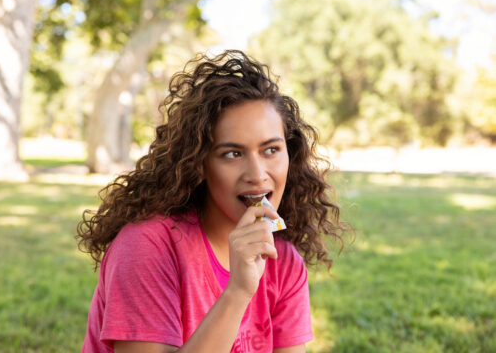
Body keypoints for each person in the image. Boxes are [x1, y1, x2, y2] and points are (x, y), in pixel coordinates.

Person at [77, 50, 345, 353]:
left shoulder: (284, 262)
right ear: (200, 164)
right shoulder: (146, 246)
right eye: (232, 153)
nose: (257, 175)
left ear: (290, 155)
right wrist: (238, 292)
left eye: (271, 150)